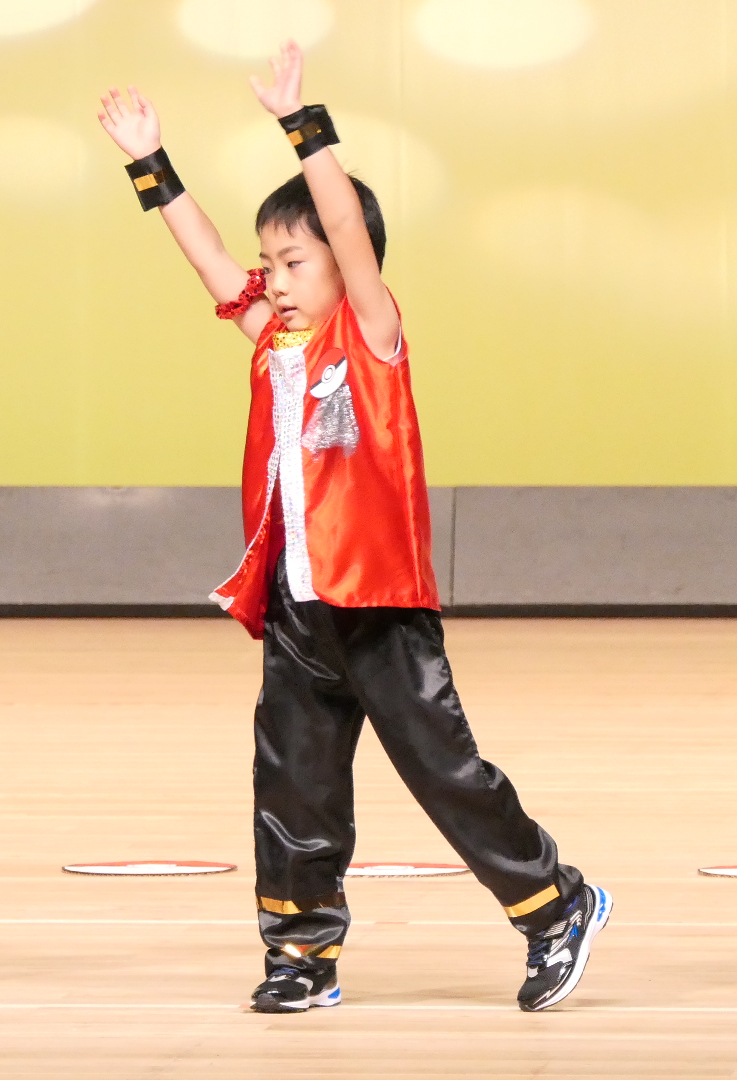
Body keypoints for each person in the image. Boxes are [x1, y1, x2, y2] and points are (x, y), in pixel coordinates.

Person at [95, 41, 610, 1014]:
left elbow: (340, 220)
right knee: (295, 790)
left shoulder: (371, 335)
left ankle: (557, 906)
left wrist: (302, 128)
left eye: (294, 262)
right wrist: (151, 164)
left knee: (445, 773)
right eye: (270, 264)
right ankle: (301, 955)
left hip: (378, 609)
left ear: (347, 265)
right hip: (298, 610)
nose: (276, 278)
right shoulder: (270, 342)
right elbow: (207, 259)